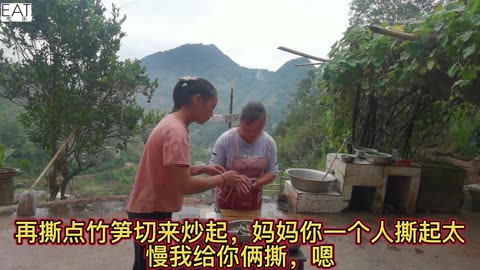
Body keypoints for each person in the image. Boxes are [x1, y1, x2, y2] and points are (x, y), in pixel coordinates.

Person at [125, 76, 249, 270]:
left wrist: (202, 169)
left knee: (143, 264)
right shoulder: (176, 132)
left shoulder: (171, 123)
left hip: (146, 207)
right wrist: (223, 178)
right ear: (197, 99)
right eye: (211, 106)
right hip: (150, 211)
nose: (211, 113)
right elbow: (184, 185)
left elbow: (170, 171)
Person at [210, 101, 279, 210]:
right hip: (226, 202)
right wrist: (232, 180)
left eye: (258, 129)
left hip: (254, 202)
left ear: (264, 124)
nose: (252, 133)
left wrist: (258, 181)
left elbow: (272, 172)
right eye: (248, 128)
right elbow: (213, 168)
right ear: (241, 121)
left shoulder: (269, 143)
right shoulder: (226, 139)